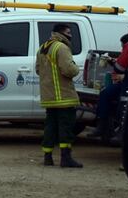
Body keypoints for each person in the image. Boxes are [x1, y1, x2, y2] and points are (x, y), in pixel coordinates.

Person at [36, 23, 83, 168]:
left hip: (49, 96)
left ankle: (48, 157)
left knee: (50, 126)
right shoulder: (62, 48)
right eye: (69, 32)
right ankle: (65, 157)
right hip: (63, 95)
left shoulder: (43, 48)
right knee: (66, 127)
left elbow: (38, 70)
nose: (70, 35)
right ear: (62, 33)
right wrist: (77, 68)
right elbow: (69, 70)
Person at [90, 26, 128, 140]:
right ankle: (105, 126)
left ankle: (120, 131)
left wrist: (114, 63)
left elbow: (120, 68)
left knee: (124, 104)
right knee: (108, 94)